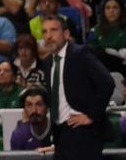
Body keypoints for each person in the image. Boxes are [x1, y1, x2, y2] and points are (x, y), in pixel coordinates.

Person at [41, 14, 115, 159]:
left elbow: (107, 83)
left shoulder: (80, 54)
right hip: (60, 133)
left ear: (66, 34)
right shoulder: (47, 61)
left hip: (83, 131)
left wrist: (91, 116)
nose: (48, 36)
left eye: (53, 30)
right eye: (44, 31)